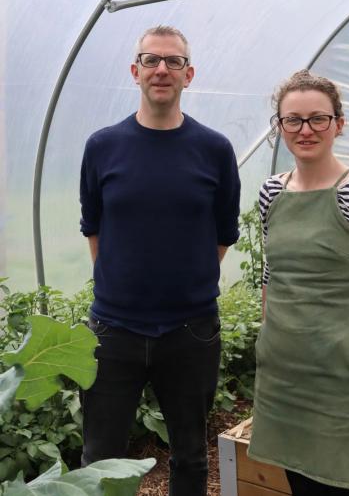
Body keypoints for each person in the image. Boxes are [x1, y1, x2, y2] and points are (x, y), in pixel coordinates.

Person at [79, 25, 240, 496]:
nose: (162, 70)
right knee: (100, 456)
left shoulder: (214, 149)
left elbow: (223, 232)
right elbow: (94, 226)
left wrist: (181, 281)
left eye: (173, 62)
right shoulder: (103, 145)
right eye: (151, 60)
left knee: (190, 454)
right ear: (135, 71)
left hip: (190, 330)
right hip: (113, 329)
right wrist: (122, 283)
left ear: (189, 74)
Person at [247, 70, 349, 496]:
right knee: (298, 481)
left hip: (339, 373)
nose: (306, 130)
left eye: (318, 119)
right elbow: (272, 272)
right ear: (279, 128)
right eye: (293, 120)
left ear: (339, 123)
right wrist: (273, 329)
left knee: (348, 484)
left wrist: (339, 307)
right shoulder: (271, 192)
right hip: (284, 372)